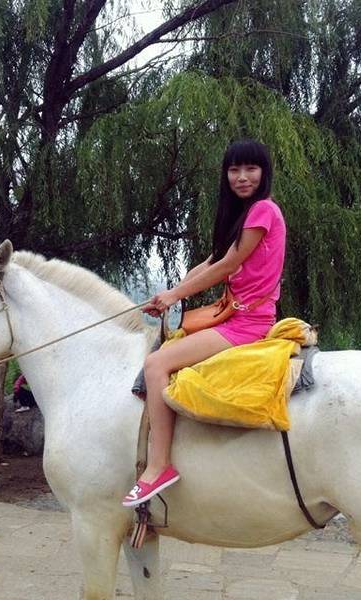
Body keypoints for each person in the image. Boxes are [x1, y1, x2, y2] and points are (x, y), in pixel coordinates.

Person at [122, 139, 286, 507]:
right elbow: (213, 261)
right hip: (234, 314)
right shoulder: (246, 215)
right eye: (234, 170)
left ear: (264, 173)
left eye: (250, 169)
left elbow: (228, 266)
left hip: (247, 323)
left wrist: (175, 296)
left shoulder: (263, 210)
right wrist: (172, 292)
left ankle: (159, 466)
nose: (242, 177)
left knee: (156, 363)